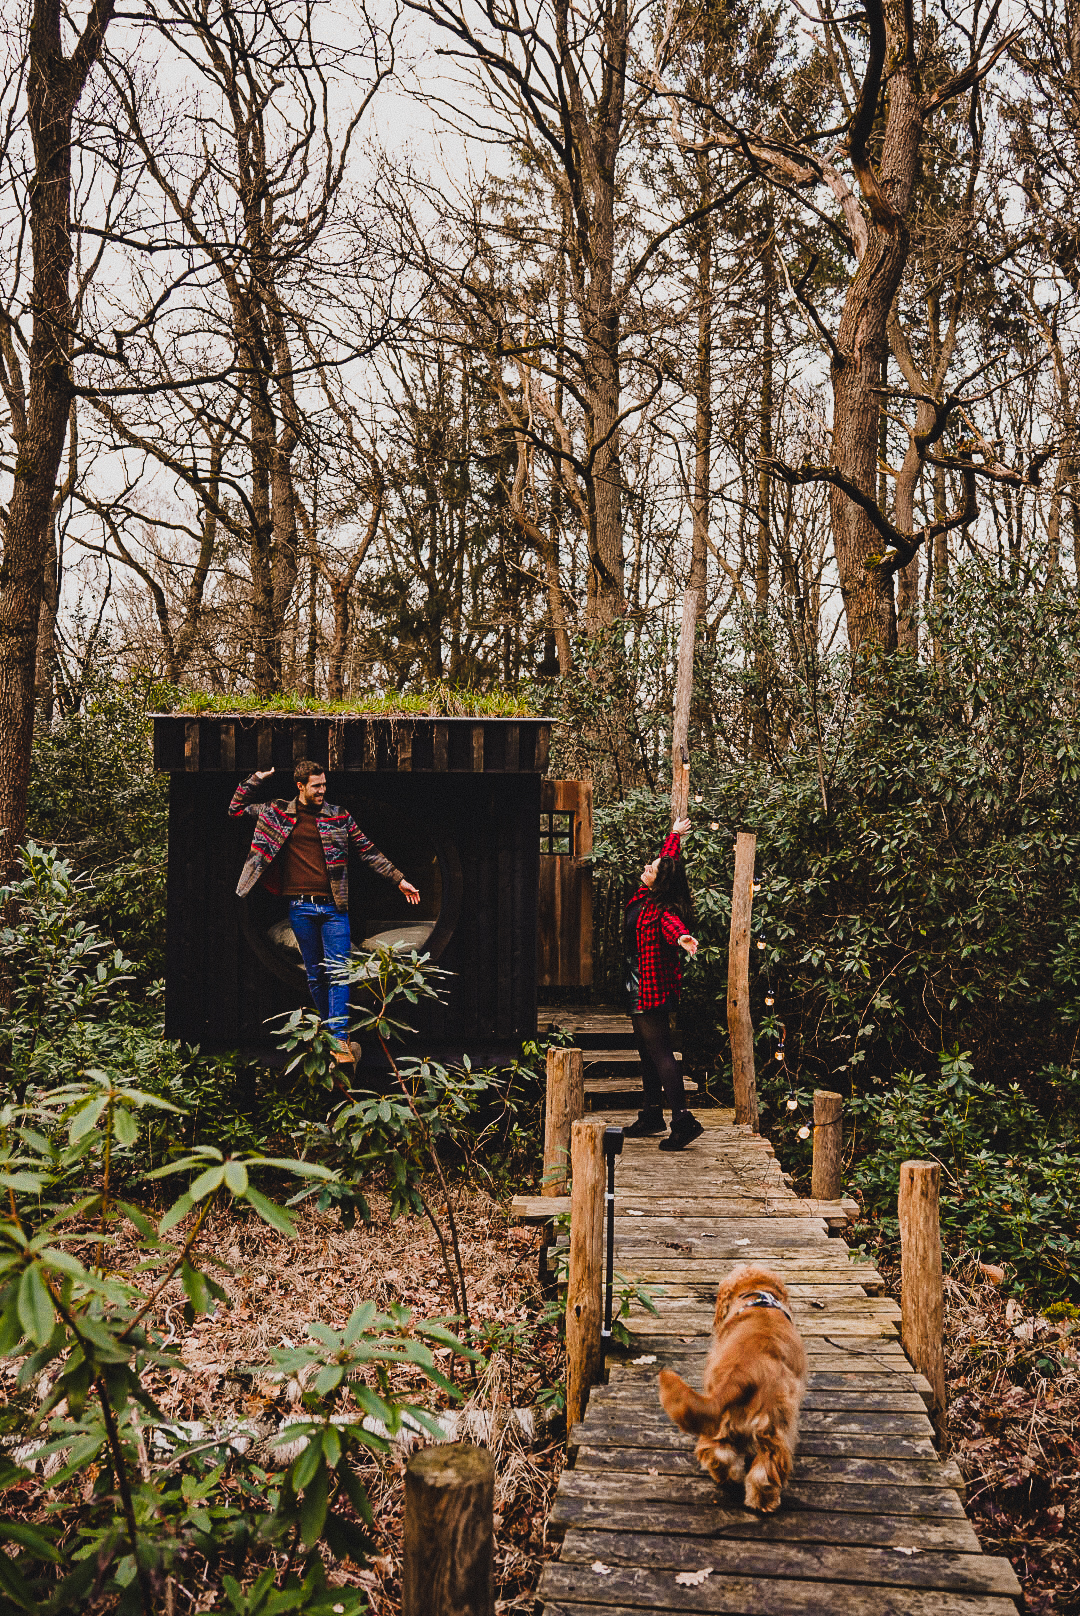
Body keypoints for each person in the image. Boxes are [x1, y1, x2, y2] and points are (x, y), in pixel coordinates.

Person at [229, 760, 420, 1058]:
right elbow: (236, 809)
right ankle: (336, 1035)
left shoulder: (339, 816)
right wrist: (256, 778)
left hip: (335, 908)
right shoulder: (277, 812)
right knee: (316, 975)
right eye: (316, 786)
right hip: (300, 907)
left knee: (339, 972)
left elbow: (368, 851)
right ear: (300, 786)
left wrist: (399, 879)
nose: (322, 791)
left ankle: (340, 1041)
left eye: (324, 785)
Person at [623, 815, 704, 1150]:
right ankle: (652, 1114)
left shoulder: (660, 909)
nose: (647, 868)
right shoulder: (646, 892)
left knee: (660, 1052)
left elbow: (673, 925)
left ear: (659, 883)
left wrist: (683, 937)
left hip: (650, 987)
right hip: (634, 983)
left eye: (651, 869)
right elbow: (668, 862)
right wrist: (675, 834)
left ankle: (682, 1120)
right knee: (646, 1052)